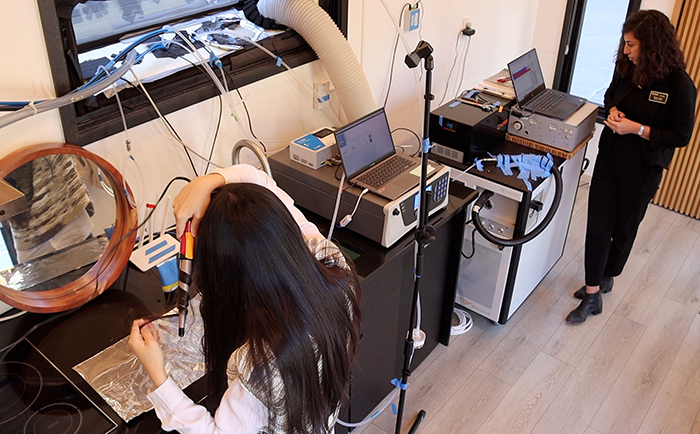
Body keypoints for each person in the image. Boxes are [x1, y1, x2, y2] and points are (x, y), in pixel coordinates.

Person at [128, 164, 362, 433]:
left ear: (226, 276)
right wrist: (210, 181)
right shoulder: (334, 269)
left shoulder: (258, 366)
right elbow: (262, 181)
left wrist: (157, 375)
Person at [566, 9, 697, 324]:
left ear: (652, 45)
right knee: (597, 226)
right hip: (611, 157)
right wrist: (612, 112)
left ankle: (608, 274)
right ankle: (593, 291)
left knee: (624, 231)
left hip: (643, 167)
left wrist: (636, 128)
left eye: (632, 45)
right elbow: (610, 94)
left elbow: (681, 135)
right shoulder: (625, 66)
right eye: (625, 44)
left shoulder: (680, 85)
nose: (626, 51)